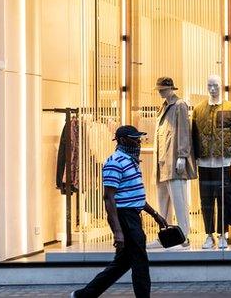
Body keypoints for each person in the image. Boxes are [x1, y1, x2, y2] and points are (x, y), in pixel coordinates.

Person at [72, 125, 168, 298]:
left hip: (132, 215)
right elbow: (109, 198)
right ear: (123, 140)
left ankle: (84, 295)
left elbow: (134, 195)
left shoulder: (131, 160)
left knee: (122, 263)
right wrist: (117, 232)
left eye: (139, 138)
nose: (139, 142)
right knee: (140, 262)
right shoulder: (114, 162)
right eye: (135, 138)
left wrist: (155, 214)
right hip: (125, 217)